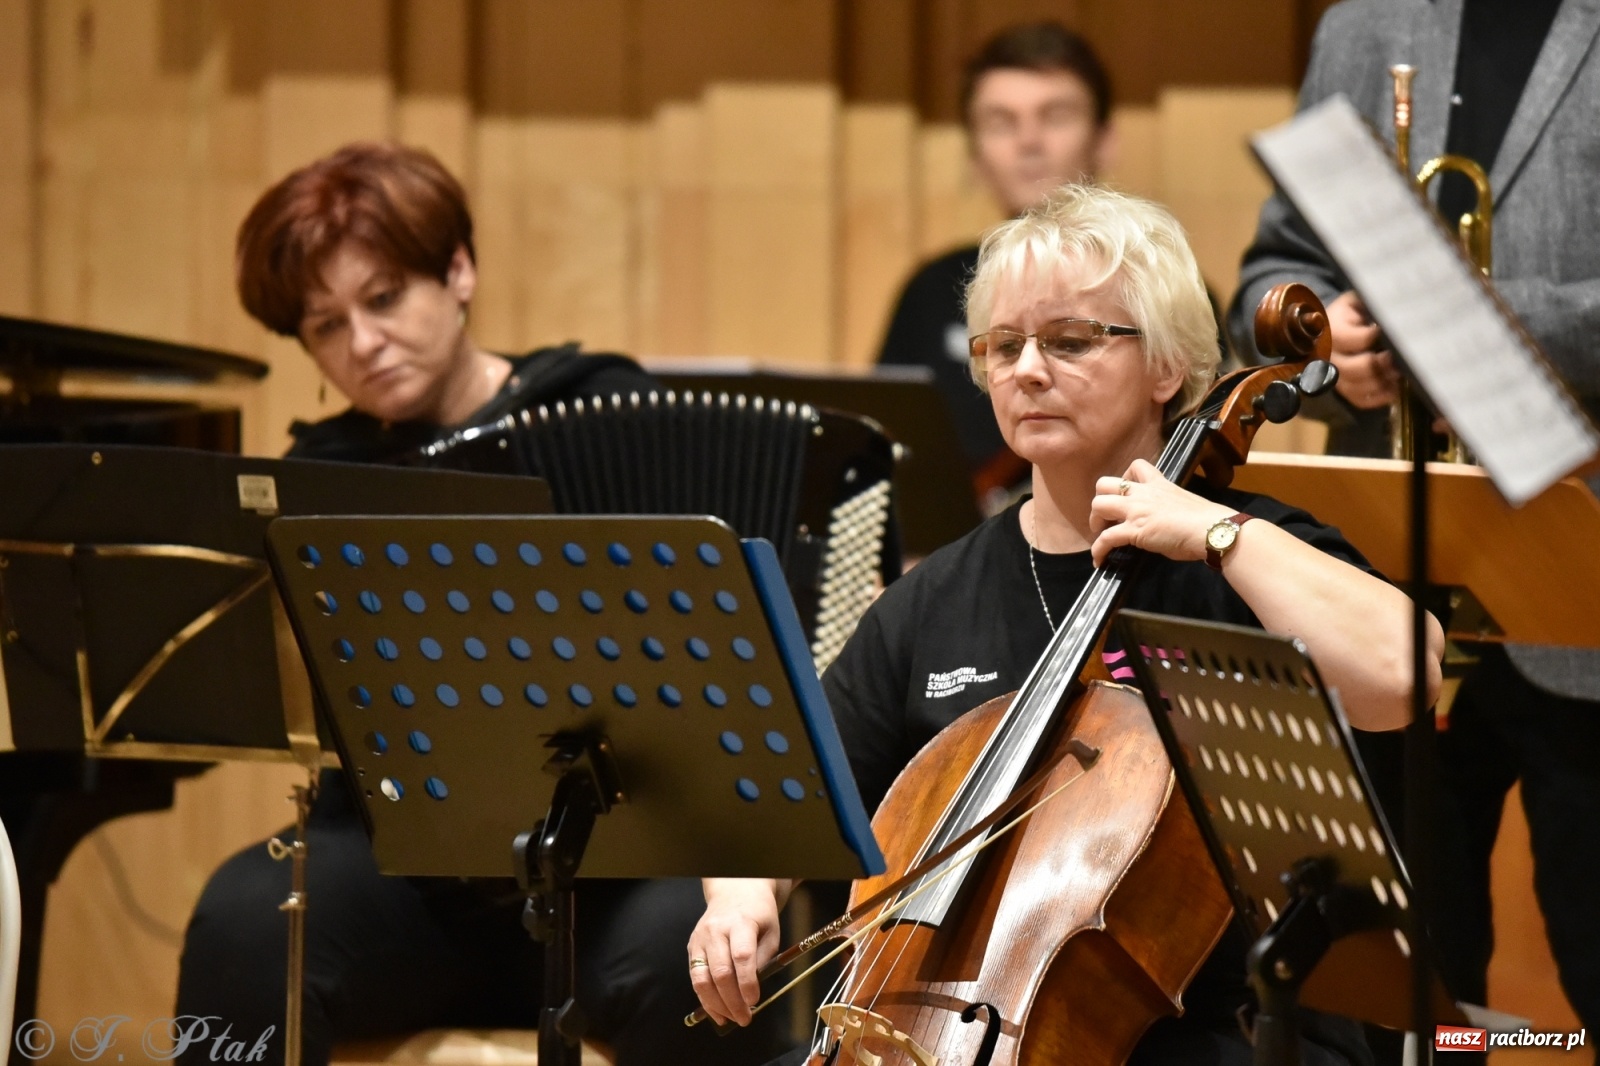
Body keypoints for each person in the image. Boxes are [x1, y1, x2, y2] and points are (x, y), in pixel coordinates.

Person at [693, 184, 1442, 1065]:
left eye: (1071, 340)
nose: (1027, 369)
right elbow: (786, 788)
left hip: (1216, 1027)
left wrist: (1218, 532)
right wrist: (740, 894)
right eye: (1003, 345)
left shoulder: (1248, 554)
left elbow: (1406, 677)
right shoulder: (934, 597)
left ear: (1166, 366)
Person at [175, 142, 789, 1066]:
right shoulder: (324, 475)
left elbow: (723, 656)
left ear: (458, 271)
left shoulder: (603, 410)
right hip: (409, 874)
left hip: (618, 874)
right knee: (241, 922)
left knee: (694, 957)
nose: (363, 344)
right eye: (325, 326)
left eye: (383, 299)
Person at [1228, 0, 1600, 1039]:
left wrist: (1468, 312)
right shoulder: (1363, 24)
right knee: (1398, 996)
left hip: (1577, 572)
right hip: (1387, 581)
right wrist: (1322, 334)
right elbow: (1267, 276)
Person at [877, 22, 1114, 501]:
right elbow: (884, 453)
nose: (1029, 141)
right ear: (975, 157)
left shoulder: (1161, 289)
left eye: (1056, 116)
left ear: (1104, 140)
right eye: (1001, 123)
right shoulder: (930, 290)